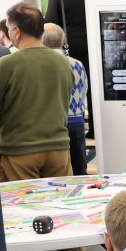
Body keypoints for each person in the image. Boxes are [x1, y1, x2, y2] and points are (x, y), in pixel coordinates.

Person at [0, 1, 85, 251]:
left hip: (18, 150)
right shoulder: (63, 62)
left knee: (25, 216)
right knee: (64, 211)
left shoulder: (7, 63)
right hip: (58, 148)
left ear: (16, 31)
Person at [44, 0, 92, 138]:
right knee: (91, 86)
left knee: (69, 85)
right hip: (90, 46)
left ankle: (67, 127)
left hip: (67, 47)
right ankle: (94, 129)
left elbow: (50, 22)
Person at [42, 23, 88, 175]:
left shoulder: (43, 64)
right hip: (76, 122)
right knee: (79, 169)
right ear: (63, 41)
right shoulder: (78, 64)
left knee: (56, 173)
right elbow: (84, 92)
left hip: (53, 124)